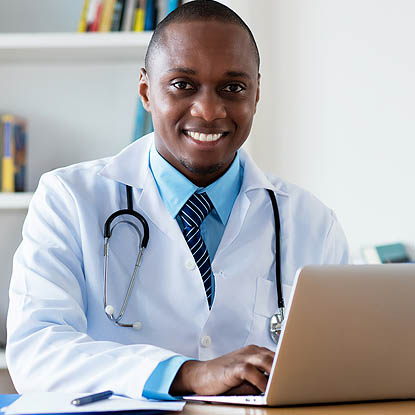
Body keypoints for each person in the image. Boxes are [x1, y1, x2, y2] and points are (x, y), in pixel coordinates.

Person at [6, 0, 348, 400]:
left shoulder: (309, 220)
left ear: (256, 95)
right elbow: (37, 353)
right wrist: (186, 374)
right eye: (183, 85)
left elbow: (344, 360)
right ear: (147, 91)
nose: (208, 110)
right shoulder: (69, 199)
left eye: (233, 88)